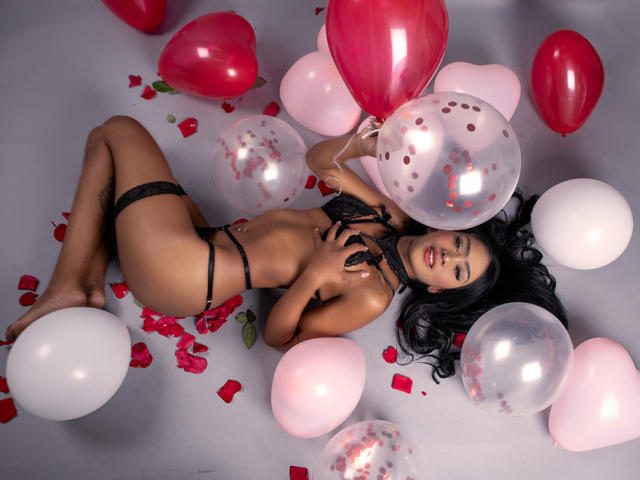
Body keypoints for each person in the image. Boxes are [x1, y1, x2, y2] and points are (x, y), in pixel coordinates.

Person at [5, 116, 565, 378]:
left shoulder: (372, 294)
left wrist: (314, 273)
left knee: (115, 133)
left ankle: (66, 287)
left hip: (189, 273)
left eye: (458, 271)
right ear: (446, 227)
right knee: (107, 145)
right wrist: (362, 144)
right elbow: (321, 162)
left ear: (440, 290)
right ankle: (85, 285)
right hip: (204, 234)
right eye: (461, 244)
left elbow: (280, 338)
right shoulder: (386, 216)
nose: (450, 256)